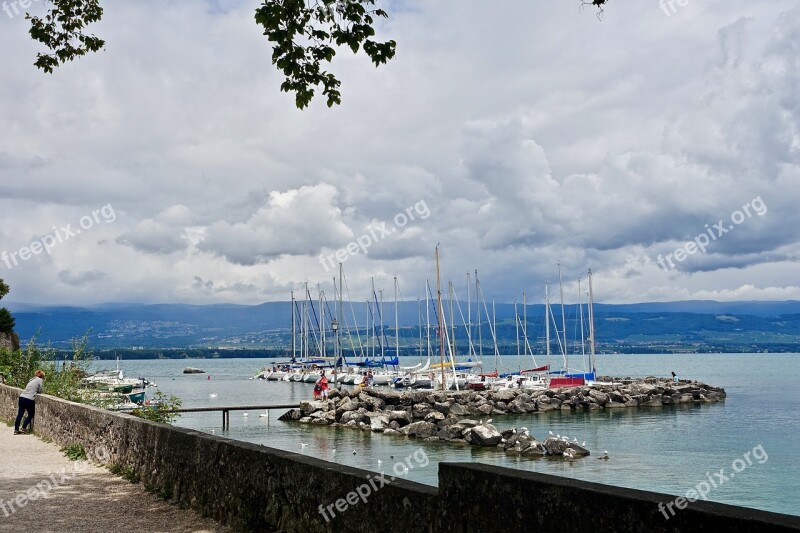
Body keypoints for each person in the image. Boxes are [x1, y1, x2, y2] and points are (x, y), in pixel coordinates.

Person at [15, 370, 45, 435]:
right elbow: (40, 391)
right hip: (29, 399)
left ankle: (16, 430)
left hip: (22, 396)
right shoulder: (40, 380)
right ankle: (23, 427)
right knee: (31, 414)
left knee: (20, 414)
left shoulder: (32, 379)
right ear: (42, 376)